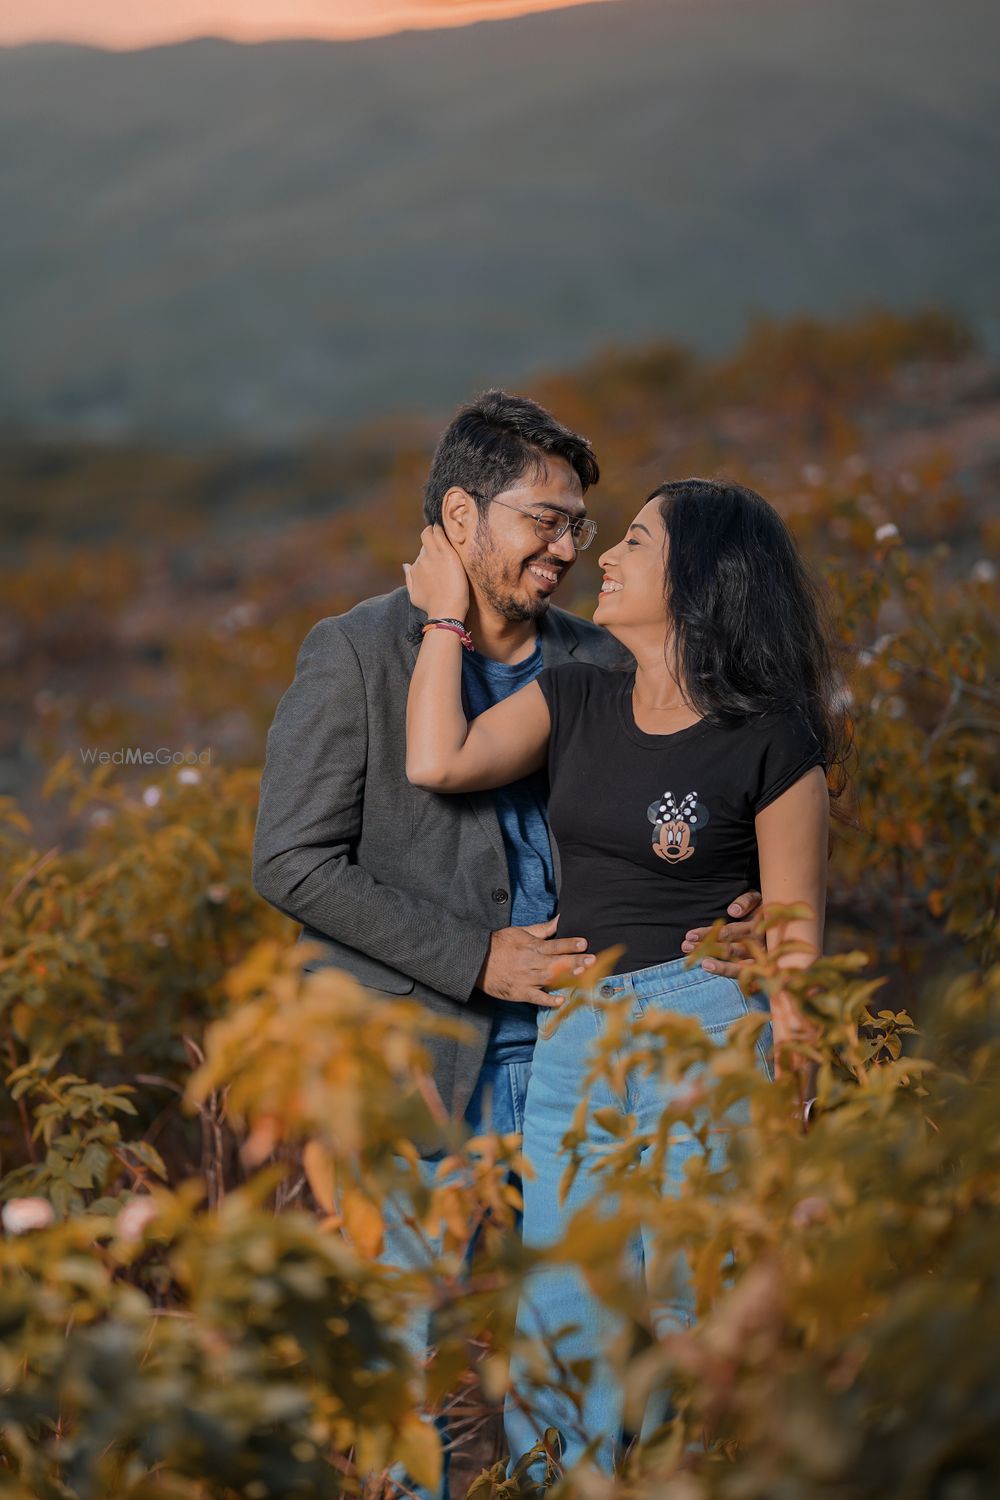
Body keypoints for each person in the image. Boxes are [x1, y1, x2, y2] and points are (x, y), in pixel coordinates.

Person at [252, 396, 763, 1498]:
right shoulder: (351, 653)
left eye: (582, 525)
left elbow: (688, 804)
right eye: (544, 519)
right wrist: (474, 957)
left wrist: (742, 907)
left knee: (572, 1349)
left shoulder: (598, 654)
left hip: (584, 1057)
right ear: (459, 513)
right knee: (408, 1362)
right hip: (414, 1060)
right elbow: (289, 861)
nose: (570, 548)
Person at [404, 477, 846, 1477]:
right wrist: (442, 616)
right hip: (577, 1035)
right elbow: (439, 759)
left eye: (634, 544)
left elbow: (794, 942)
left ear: (699, 581)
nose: (602, 557)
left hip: (708, 1032)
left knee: (699, 1307)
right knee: (565, 1310)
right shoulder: (574, 698)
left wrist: (797, 1110)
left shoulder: (772, 740)